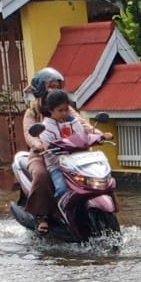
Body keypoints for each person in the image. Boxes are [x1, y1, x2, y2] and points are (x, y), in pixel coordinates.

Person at [35, 89, 111, 235]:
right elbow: (47, 147)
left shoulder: (74, 122)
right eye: (60, 110)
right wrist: (44, 147)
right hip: (58, 166)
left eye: (66, 109)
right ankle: (58, 216)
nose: (64, 113)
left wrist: (101, 137)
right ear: (51, 110)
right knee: (62, 189)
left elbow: (85, 135)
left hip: (79, 164)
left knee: (105, 181)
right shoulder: (46, 128)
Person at [20, 67, 66, 226]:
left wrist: (98, 134)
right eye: (51, 86)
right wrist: (38, 144)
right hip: (41, 155)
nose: (55, 89)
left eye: (57, 86)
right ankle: (41, 216)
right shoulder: (32, 112)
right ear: (41, 88)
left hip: (66, 153)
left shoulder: (65, 108)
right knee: (42, 175)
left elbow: (80, 123)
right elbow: (28, 132)